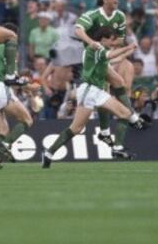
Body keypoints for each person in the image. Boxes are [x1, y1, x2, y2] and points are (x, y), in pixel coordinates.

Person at [42, 26, 146, 168]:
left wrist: (130, 50)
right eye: (111, 40)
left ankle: (116, 148)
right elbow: (111, 56)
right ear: (102, 38)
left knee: (126, 113)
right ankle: (49, 153)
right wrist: (130, 46)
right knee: (76, 128)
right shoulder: (95, 48)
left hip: (97, 91)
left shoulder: (99, 51)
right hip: (88, 91)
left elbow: (116, 58)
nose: (112, 43)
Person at [74, 0, 137, 157]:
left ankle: (106, 131)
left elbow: (121, 39)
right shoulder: (93, 15)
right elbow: (78, 29)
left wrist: (114, 49)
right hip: (91, 57)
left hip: (105, 55)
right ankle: (129, 118)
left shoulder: (120, 16)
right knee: (110, 87)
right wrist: (93, 43)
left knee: (117, 83)